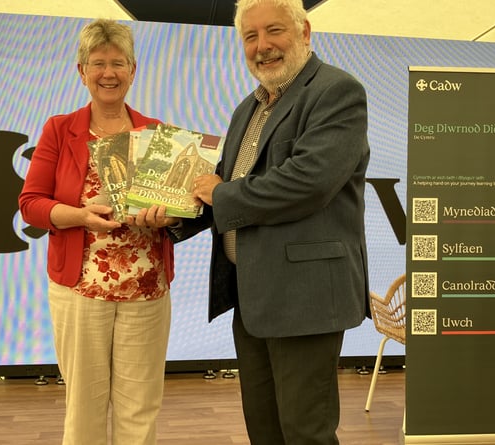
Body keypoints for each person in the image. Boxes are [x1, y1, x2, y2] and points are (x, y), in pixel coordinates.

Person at [139, 0, 371, 443]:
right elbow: (224, 186)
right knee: (264, 429)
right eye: (250, 36)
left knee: (305, 432)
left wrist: (218, 192)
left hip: (306, 299)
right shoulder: (249, 107)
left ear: (305, 32)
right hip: (254, 296)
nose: (262, 46)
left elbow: (307, 183)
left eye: (274, 31)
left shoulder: (337, 92)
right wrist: (174, 214)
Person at [19, 19, 176, 445]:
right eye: (98, 63)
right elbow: (31, 204)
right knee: (85, 408)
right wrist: (81, 216)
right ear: (82, 71)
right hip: (79, 291)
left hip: (147, 290)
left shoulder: (157, 133)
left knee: (141, 407)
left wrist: (169, 217)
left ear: (133, 70)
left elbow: (178, 211)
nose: (109, 73)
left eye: (118, 63)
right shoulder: (59, 129)